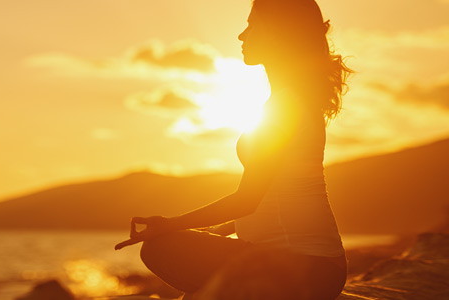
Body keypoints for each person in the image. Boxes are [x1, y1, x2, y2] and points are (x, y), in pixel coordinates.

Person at [115, 0, 352, 299]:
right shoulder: (288, 101)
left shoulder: (286, 106)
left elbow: (247, 199)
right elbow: (272, 198)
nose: (242, 35)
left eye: (252, 25)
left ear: (279, 34)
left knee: (160, 248)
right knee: (184, 260)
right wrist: (218, 231)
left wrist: (168, 226)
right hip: (313, 267)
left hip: (307, 269)